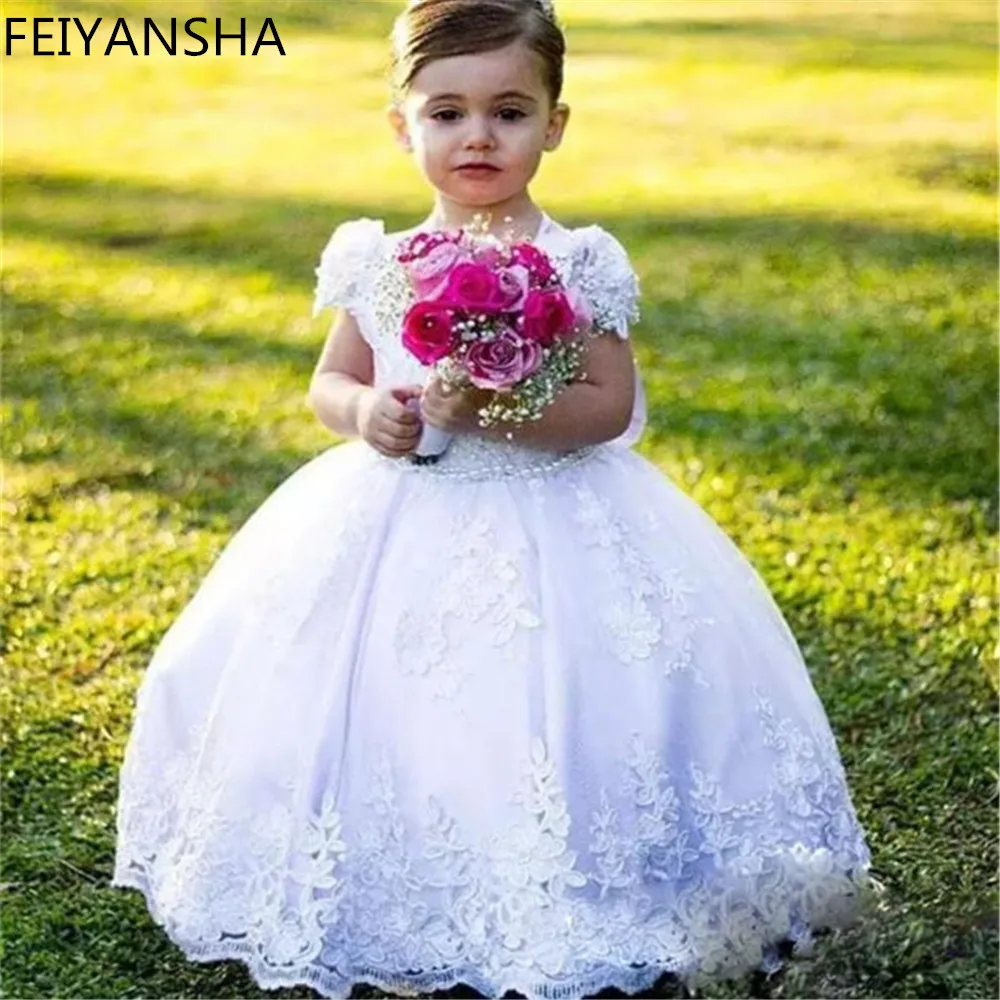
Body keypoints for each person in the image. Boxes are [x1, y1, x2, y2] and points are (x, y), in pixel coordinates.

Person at [111, 1, 878, 998]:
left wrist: (490, 413)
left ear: (555, 122)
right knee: (386, 701)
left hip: (554, 517)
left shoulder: (577, 260)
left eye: (510, 111)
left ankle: (584, 882)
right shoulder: (375, 261)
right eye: (448, 113)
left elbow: (607, 406)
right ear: (402, 124)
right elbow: (330, 381)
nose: (478, 135)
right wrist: (367, 417)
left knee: (557, 699)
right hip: (392, 517)